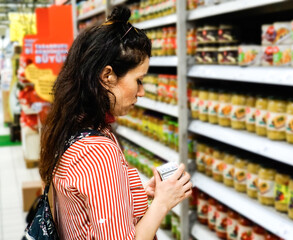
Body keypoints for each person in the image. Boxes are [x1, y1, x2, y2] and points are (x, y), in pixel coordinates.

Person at [39, 6, 192, 240]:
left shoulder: (75, 127)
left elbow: (90, 202)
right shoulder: (97, 152)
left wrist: (137, 192)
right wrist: (162, 203)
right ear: (107, 76)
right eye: (138, 80)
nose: (141, 92)